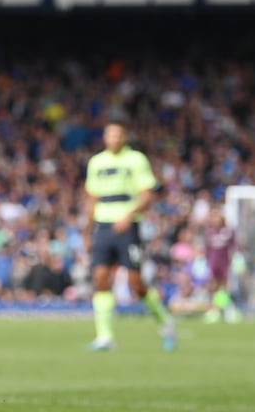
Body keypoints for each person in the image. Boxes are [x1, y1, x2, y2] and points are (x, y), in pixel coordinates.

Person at [83, 121, 177, 352]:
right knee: (100, 278)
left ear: (124, 137)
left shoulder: (136, 160)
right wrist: (88, 229)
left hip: (128, 226)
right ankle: (105, 336)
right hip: (103, 226)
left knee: (136, 283)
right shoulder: (97, 162)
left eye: (117, 134)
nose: (113, 139)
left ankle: (165, 321)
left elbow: (147, 195)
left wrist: (129, 215)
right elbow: (92, 197)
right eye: (109, 135)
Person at [201, 206, 242, 323]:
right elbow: (207, 248)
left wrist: (237, 259)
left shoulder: (228, 231)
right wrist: (204, 261)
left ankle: (228, 310)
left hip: (225, 263)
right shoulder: (209, 231)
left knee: (224, 286)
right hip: (213, 263)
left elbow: (234, 246)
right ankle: (215, 310)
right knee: (213, 286)